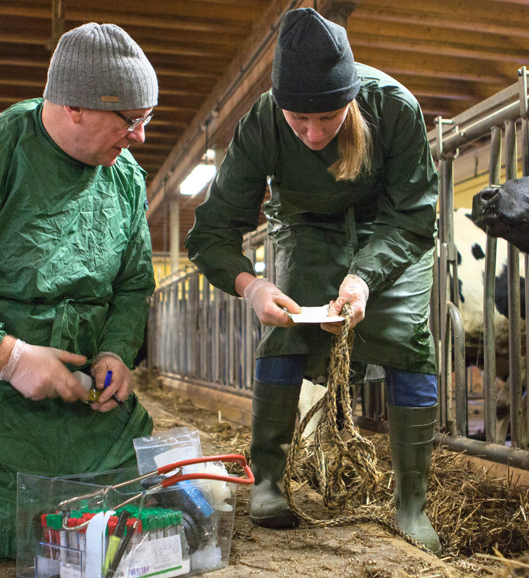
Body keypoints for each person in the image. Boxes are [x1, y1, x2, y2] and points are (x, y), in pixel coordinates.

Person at [186, 8, 441, 553]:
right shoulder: (262, 123)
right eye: (297, 119)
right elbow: (212, 232)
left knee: (405, 335)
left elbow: (415, 214)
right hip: (305, 223)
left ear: (351, 97)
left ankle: (411, 504)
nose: (312, 133)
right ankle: (270, 481)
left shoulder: (393, 106)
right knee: (288, 326)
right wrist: (251, 286)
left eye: (327, 117)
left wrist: (365, 278)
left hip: (389, 227)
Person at [0, 23, 157, 559]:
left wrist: (116, 351)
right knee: (9, 523)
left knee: (138, 497)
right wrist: (9, 356)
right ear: (75, 107)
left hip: (82, 397)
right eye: (130, 120)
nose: (140, 136)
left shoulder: (125, 180)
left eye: (147, 119)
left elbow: (134, 283)